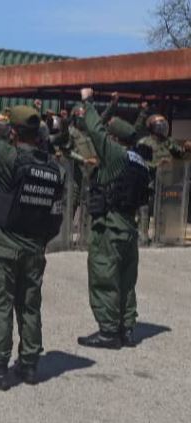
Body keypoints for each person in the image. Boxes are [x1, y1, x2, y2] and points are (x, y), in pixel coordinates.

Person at [0, 64, 65, 390]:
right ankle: (30, 364)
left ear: (13, 132)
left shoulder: (9, 157)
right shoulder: (53, 168)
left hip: (5, 245)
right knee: (29, 306)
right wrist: (39, 241)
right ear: (38, 135)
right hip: (36, 248)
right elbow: (57, 215)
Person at [77, 88, 191, 349]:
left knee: (105, 278)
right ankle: (127, 329)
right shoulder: (139, 160)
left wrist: (88, 101)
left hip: (110, 228)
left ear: (115, 137)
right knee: (127, 282)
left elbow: (95, 129)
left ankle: (108, 332)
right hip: (129, 227)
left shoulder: (115, 156)